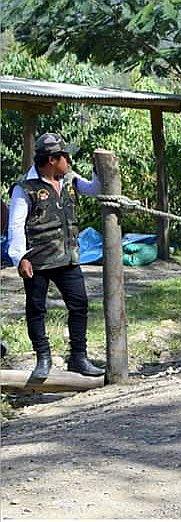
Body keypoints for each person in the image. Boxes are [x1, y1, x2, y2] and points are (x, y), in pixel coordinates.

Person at [7, 133, 104, 379]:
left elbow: (94, 189)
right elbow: (15, 225)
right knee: (36, 309)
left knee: (79, 305)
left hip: (68, 257)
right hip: (37, 260)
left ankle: (78, 358)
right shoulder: (25, 188)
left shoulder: (70, 179)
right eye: (65, 157)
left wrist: (99, 167)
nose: (69, 161)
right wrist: (20, 257)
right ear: (52, 159)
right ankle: (43, 357)